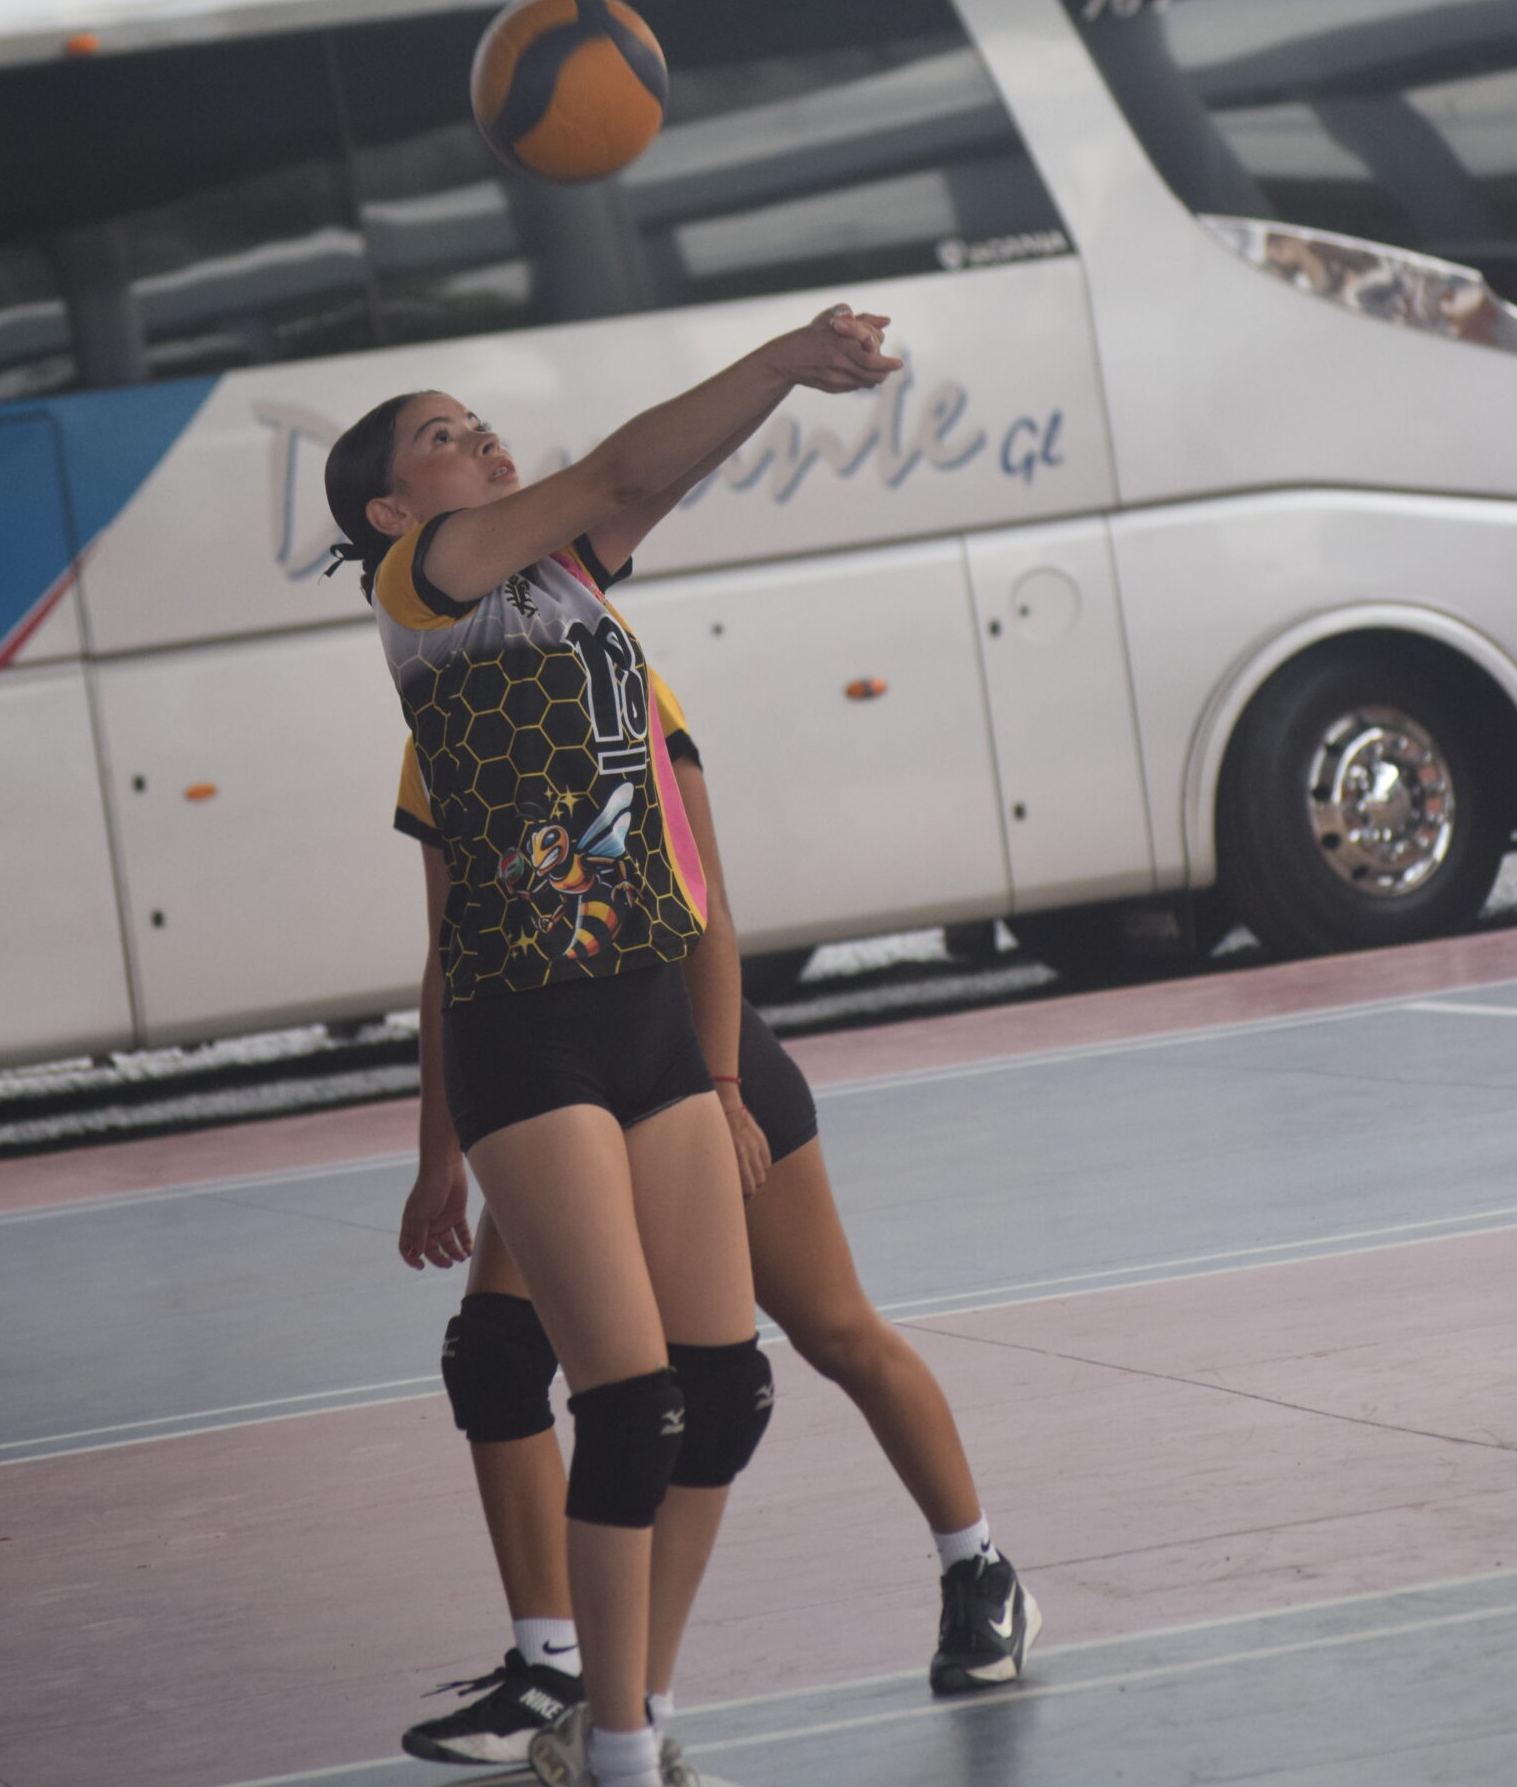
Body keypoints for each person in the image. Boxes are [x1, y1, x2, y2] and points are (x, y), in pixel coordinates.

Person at [322, 310, 899, 1787]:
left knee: (725, 1394)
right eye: (443, 438)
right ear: (392, 511)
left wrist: (792, 380)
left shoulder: (562, 576)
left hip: (651, 1018)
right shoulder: (425, 583)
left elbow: (658, 471)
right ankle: (620, 1750)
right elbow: (614, 467)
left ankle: (604, 1722)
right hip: (530, 1034)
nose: (482, 444)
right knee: (625, 1402)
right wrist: (777, 355)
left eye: (480, 426)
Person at [394, 678, 1040, 1770]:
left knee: (832, 1335)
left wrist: (726, 1084)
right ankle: (557, 1664)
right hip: (555, 1080)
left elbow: (706, 899)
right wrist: (438, 1145)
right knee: (494, 1358)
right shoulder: (444, 713)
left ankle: (978, 1567)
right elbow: (452, 952)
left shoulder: (619, 679)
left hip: (691, 1062)